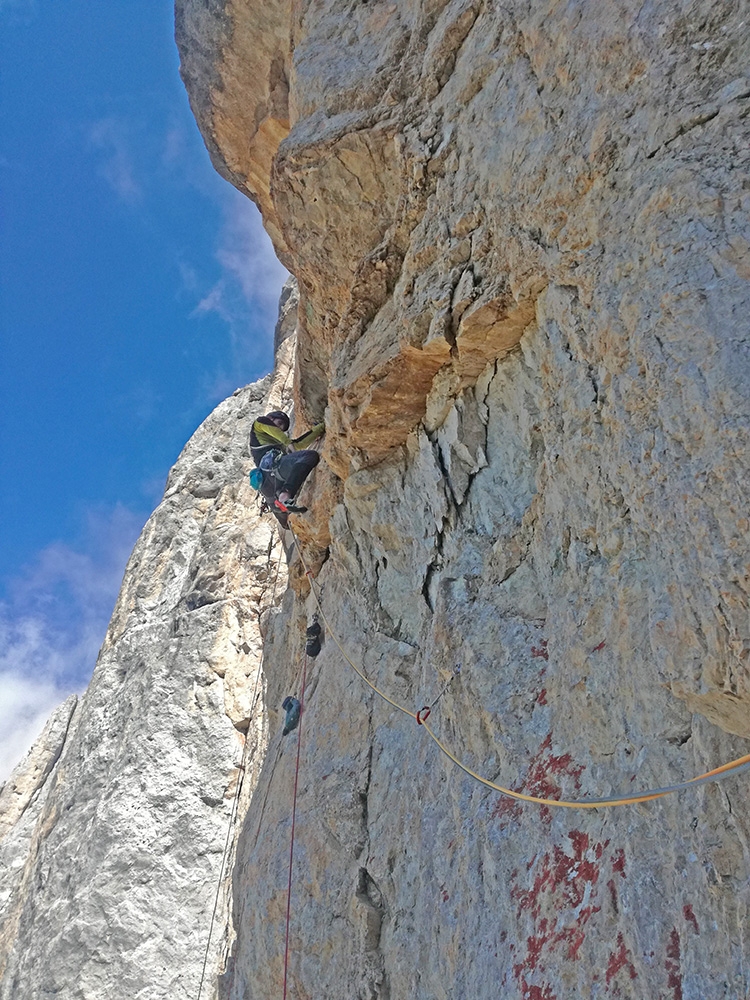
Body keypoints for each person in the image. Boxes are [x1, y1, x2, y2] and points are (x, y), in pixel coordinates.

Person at [249, 410, 324, 528]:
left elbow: (298, 444)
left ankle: (284, 499)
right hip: (273, 471)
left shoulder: (279, 442)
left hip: (269, 488)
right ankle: (284, 496)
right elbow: (282, 437)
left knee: (287, 524)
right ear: (270, 418)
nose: (279, 428)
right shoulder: (259, 423)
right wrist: (288, 443)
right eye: (278, 423)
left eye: (281, 427)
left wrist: (320, 428)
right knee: (309, 456)